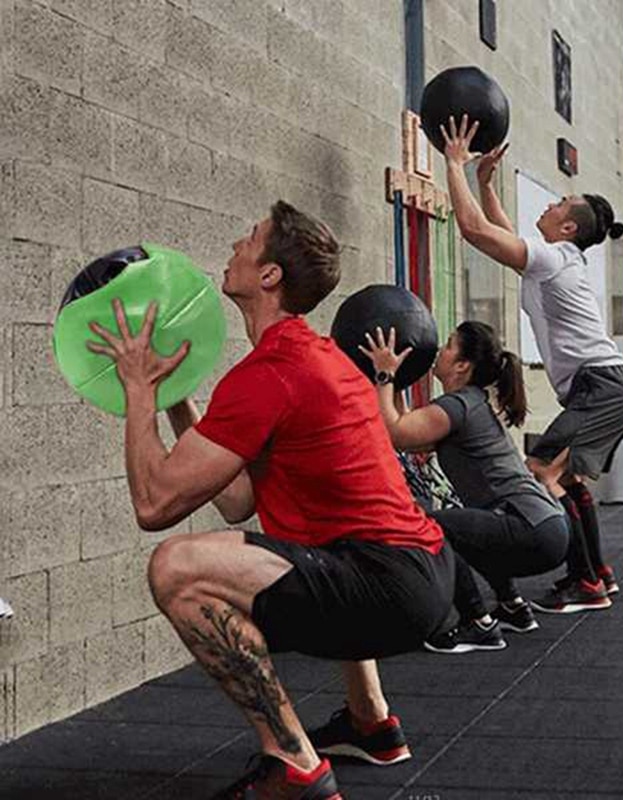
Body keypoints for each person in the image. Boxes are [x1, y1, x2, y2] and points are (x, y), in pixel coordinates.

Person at [86, 201, 455, 799]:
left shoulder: (272, 372)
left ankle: (294, 764)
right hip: (416, 572)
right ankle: (372, 724)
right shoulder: (311, 360)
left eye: (249, 239)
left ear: (269, 276)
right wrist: (177, 397)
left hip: (390, 581)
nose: (235, 244)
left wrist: (137, 390)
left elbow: (154, 504)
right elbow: (235, 501)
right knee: (318, 545)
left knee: (176, 569)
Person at [440, 114, 623, 614]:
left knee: (541, 474)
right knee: (566, 478)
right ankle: (595, 575)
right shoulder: (554, 259)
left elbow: (472, 230)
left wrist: (453, 164)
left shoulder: (554, 258)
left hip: (605, 385)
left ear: (568, 227)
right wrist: (485, 182)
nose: (549, 205)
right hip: (610, 385)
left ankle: (583, 582)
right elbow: (498, 230)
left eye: (558, 204)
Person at [361, 321, 569, 653]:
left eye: (448, 345)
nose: (439, 351)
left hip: (530, 528)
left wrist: (383, 375)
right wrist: (398, 383)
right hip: (548, 527)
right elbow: (411, 437)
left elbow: (393, 433)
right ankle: (513, 606)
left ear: (462, 365)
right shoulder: (467, 403)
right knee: (475, 525)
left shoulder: (457, 406)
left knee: (430, 526)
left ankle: (478, 622)